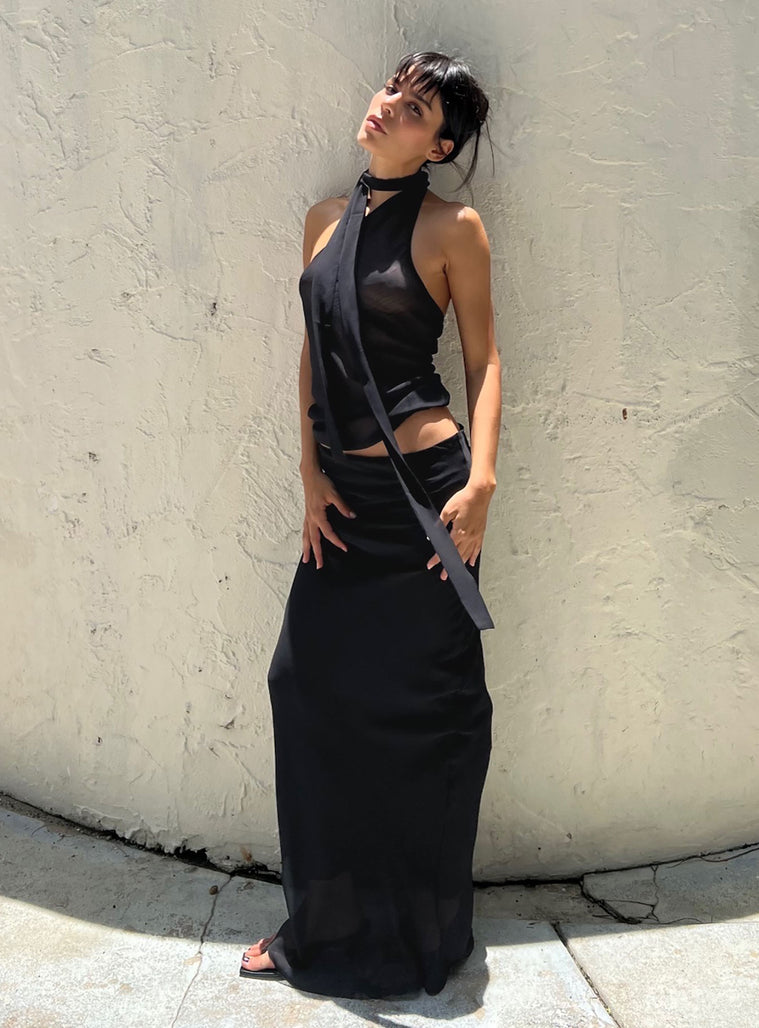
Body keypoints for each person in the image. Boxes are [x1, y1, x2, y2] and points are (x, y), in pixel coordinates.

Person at [239, 50, 501, 999]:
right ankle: (324, 925)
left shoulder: (453, 228)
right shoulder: (321, 219)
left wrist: (482, 481)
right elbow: (314, 356)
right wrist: (310, 472)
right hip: (344, 498)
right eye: (394, 89)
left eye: (416, 108)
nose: (389, 107)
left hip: (428, 501)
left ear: (440, 146)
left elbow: (484, 359)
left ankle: (423, 930)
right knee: (303, 689)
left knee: (425, 714)